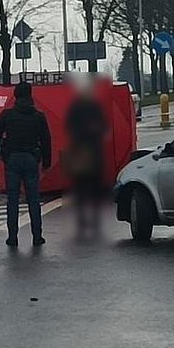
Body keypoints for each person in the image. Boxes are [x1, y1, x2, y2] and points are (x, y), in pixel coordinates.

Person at [0, 81, 51, 248]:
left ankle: (12, 237)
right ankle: (37, 236)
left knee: (13, 200)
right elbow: (46, 141)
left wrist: (1, 154)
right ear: (30, 95)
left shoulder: (7, 115)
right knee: (33, 199)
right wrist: (46, 163)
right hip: (31, 158)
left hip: (13, 159)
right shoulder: (38, 116)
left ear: (15, 96)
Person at [65, 75, 108, 237]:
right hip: (87, 150)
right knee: (85, 185)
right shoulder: (91, 107)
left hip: (84, 150)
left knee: (86, 185)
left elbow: (69, 126)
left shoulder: (80, 107)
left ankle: (88, 218)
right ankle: (86, 218)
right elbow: (102, 127)